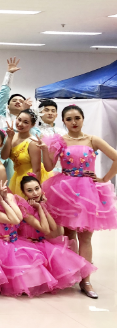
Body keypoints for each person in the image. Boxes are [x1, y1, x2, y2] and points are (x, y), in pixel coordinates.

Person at [42, 105, 117, 298]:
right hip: (65, 191)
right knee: (69, 236)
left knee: (86, 237)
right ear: (63, 121)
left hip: (87, 192)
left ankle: (86, 280)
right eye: (69, 119)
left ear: (83, 119)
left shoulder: (93, 140)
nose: (73, 122)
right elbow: (49, 167)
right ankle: (71, 273)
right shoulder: (60, 141)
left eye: (77, 118)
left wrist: (104, 178)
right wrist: (44, 150)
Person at [0, 170, 57, 297]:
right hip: (0, 243)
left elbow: (19, 217)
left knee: (32, 271)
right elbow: (14, 220)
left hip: (15, 240)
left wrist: (5, 198)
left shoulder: (10, 196)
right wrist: (1, 200)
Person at [18, 175, 96, 294]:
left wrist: (42, 207)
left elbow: (54, 227)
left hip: (41, 242)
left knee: (57, 254)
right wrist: (39, 208)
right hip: (28, 244)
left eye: (37, 188)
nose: (35, 193)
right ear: (24, 193)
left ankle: (84, 280)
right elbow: (45, 229)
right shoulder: (24, 208)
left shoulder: (44, 205)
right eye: (29, 190)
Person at [2, 109, 52, 198]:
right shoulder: (12, 135)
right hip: (18, 176)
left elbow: (37, 170)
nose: (20, 124)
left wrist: (35, 191)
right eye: (19, 119)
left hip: (31, 177)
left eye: (25, 122)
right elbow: (4, 156)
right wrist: (9, 138)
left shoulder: (32, 143)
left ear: (32, 125)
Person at [0, 57, 33, 130]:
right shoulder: (0, 115)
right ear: (8, 106)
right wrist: (9, 74)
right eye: (14, 100)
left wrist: (27, 110)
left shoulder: (28, 121)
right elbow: (3, 95)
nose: (17, 102)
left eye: (21, 101)